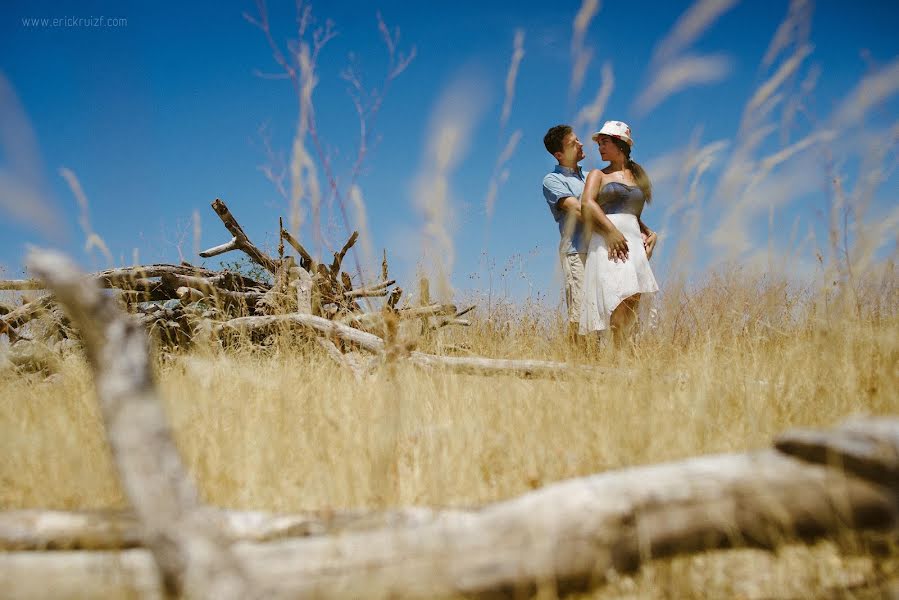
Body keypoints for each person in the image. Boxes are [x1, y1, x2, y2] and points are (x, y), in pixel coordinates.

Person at [542, 123, 656, 340]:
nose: (581, 143)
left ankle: (610, 359)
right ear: (559, 153)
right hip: (579, 250)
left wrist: (645, 230)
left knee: (614, 305)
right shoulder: (553, 180)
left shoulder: (594, 175)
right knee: (582, 312)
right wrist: (611, 232)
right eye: (573, 143)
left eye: (577, 139)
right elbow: (579, 209)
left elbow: (620, 208)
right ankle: (578, 365)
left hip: (607, 249)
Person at [578, 120, 658, 346]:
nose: (600, 147)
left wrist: (651, 233)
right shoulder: (598, 175)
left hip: (632, 242)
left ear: (620, 144)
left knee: (632, 295)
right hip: (607, 242)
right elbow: (587, 203)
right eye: (599, 143)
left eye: (605, 142)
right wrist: (611, 232)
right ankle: (612, 352)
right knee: (614, 294)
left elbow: (633, 214)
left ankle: (622, 352)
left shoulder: (637, 175)